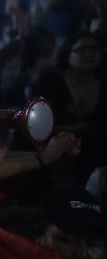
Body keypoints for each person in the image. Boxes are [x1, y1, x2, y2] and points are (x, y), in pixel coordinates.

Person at [32, 32, 106, 183]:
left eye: (93, 49)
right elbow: (37, 124)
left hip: (93, 157)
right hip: (52, 152)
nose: (88, 54)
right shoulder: (51, 82)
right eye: (80, 50)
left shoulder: (103, 83)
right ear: (67, 53)